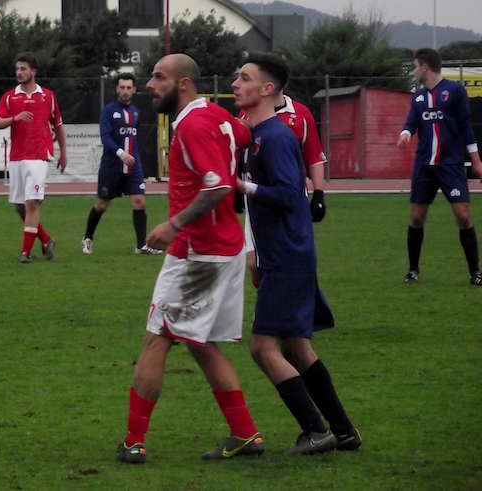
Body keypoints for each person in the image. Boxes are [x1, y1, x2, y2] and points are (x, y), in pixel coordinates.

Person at [116, 53, 264, 464]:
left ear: (183, 85)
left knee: (155, 339)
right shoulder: (214, 116)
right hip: (225, 248)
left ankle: (134, 441)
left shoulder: (196, 124)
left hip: (197, 253)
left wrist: (173, 225)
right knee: (199, 345)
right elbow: (245, 136)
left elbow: (217, 188)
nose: (149, 84)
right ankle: (246, 434)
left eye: (159, 78)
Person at [233, 51, 361, 455]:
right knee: (297, 347)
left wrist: (244, 188)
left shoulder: (276, 137)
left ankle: (315, 430)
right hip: (285, 257)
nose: (235, 84)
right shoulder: (256, 136)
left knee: (261, 348)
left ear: (266, 89)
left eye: (244, 77)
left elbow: (292, 195)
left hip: (289, 258)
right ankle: (343, 431)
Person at [397, 47, 482, 285]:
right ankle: (413, 271)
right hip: (424, 166)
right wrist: (404, 134)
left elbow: (466, 127)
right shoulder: (419, 97)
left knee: (463, 216)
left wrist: (476, 161)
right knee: (416, 217)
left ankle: (475, 272)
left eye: (415, 66)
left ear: (425, 67)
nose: (414, 71)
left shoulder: (454, 91)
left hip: (451, 165)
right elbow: (411, 123)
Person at [241, 91, 328, 287]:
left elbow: (314, 157)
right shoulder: (247, 113)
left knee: (290, 259)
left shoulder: (301, 114)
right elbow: (241, 151)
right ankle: (269, 297)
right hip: (257, 197)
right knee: (254, 262)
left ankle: (289, 302)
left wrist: (319, 194)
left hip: (290, 197)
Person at [0, 52, 67, 263]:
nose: (19, 72)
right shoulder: (9, 97)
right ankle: (45, 240)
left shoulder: (48, 96)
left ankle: (25, 252)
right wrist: (14, 118)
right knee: (19, 206)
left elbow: (58, 126)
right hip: (16, 156)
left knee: (31, 202)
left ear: (33, 72)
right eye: (17, 69)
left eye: (23, 69)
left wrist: (63, 153)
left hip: (39, 155)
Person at [82, 73, 162, 255]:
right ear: (117, 89)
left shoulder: (135, 111)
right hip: (112, 167)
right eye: (122, 87)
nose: (125, 91)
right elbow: (105, 137)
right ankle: (87, 238)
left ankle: (141, 245)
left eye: (129, 88)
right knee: (102, 205)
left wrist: (132, 156)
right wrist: (120, 153)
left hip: (133, 166)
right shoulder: (109, 111)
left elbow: (134, 137)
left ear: (134, 90)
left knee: (139, 201)